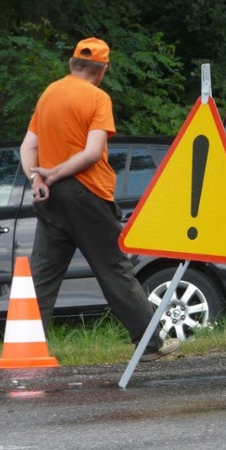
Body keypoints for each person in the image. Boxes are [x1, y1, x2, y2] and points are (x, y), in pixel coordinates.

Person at [19, 37, 180, 362]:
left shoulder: (49, 93)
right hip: (86, 194)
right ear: (103, 70)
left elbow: (27, 147)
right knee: (113, 269)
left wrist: (38, 178)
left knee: (42, 275)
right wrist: (56, 173)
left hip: (50, 198)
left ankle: (23, 348)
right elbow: (92, 153)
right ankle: (150, 344)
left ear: (71, 64)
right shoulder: (97, 98)